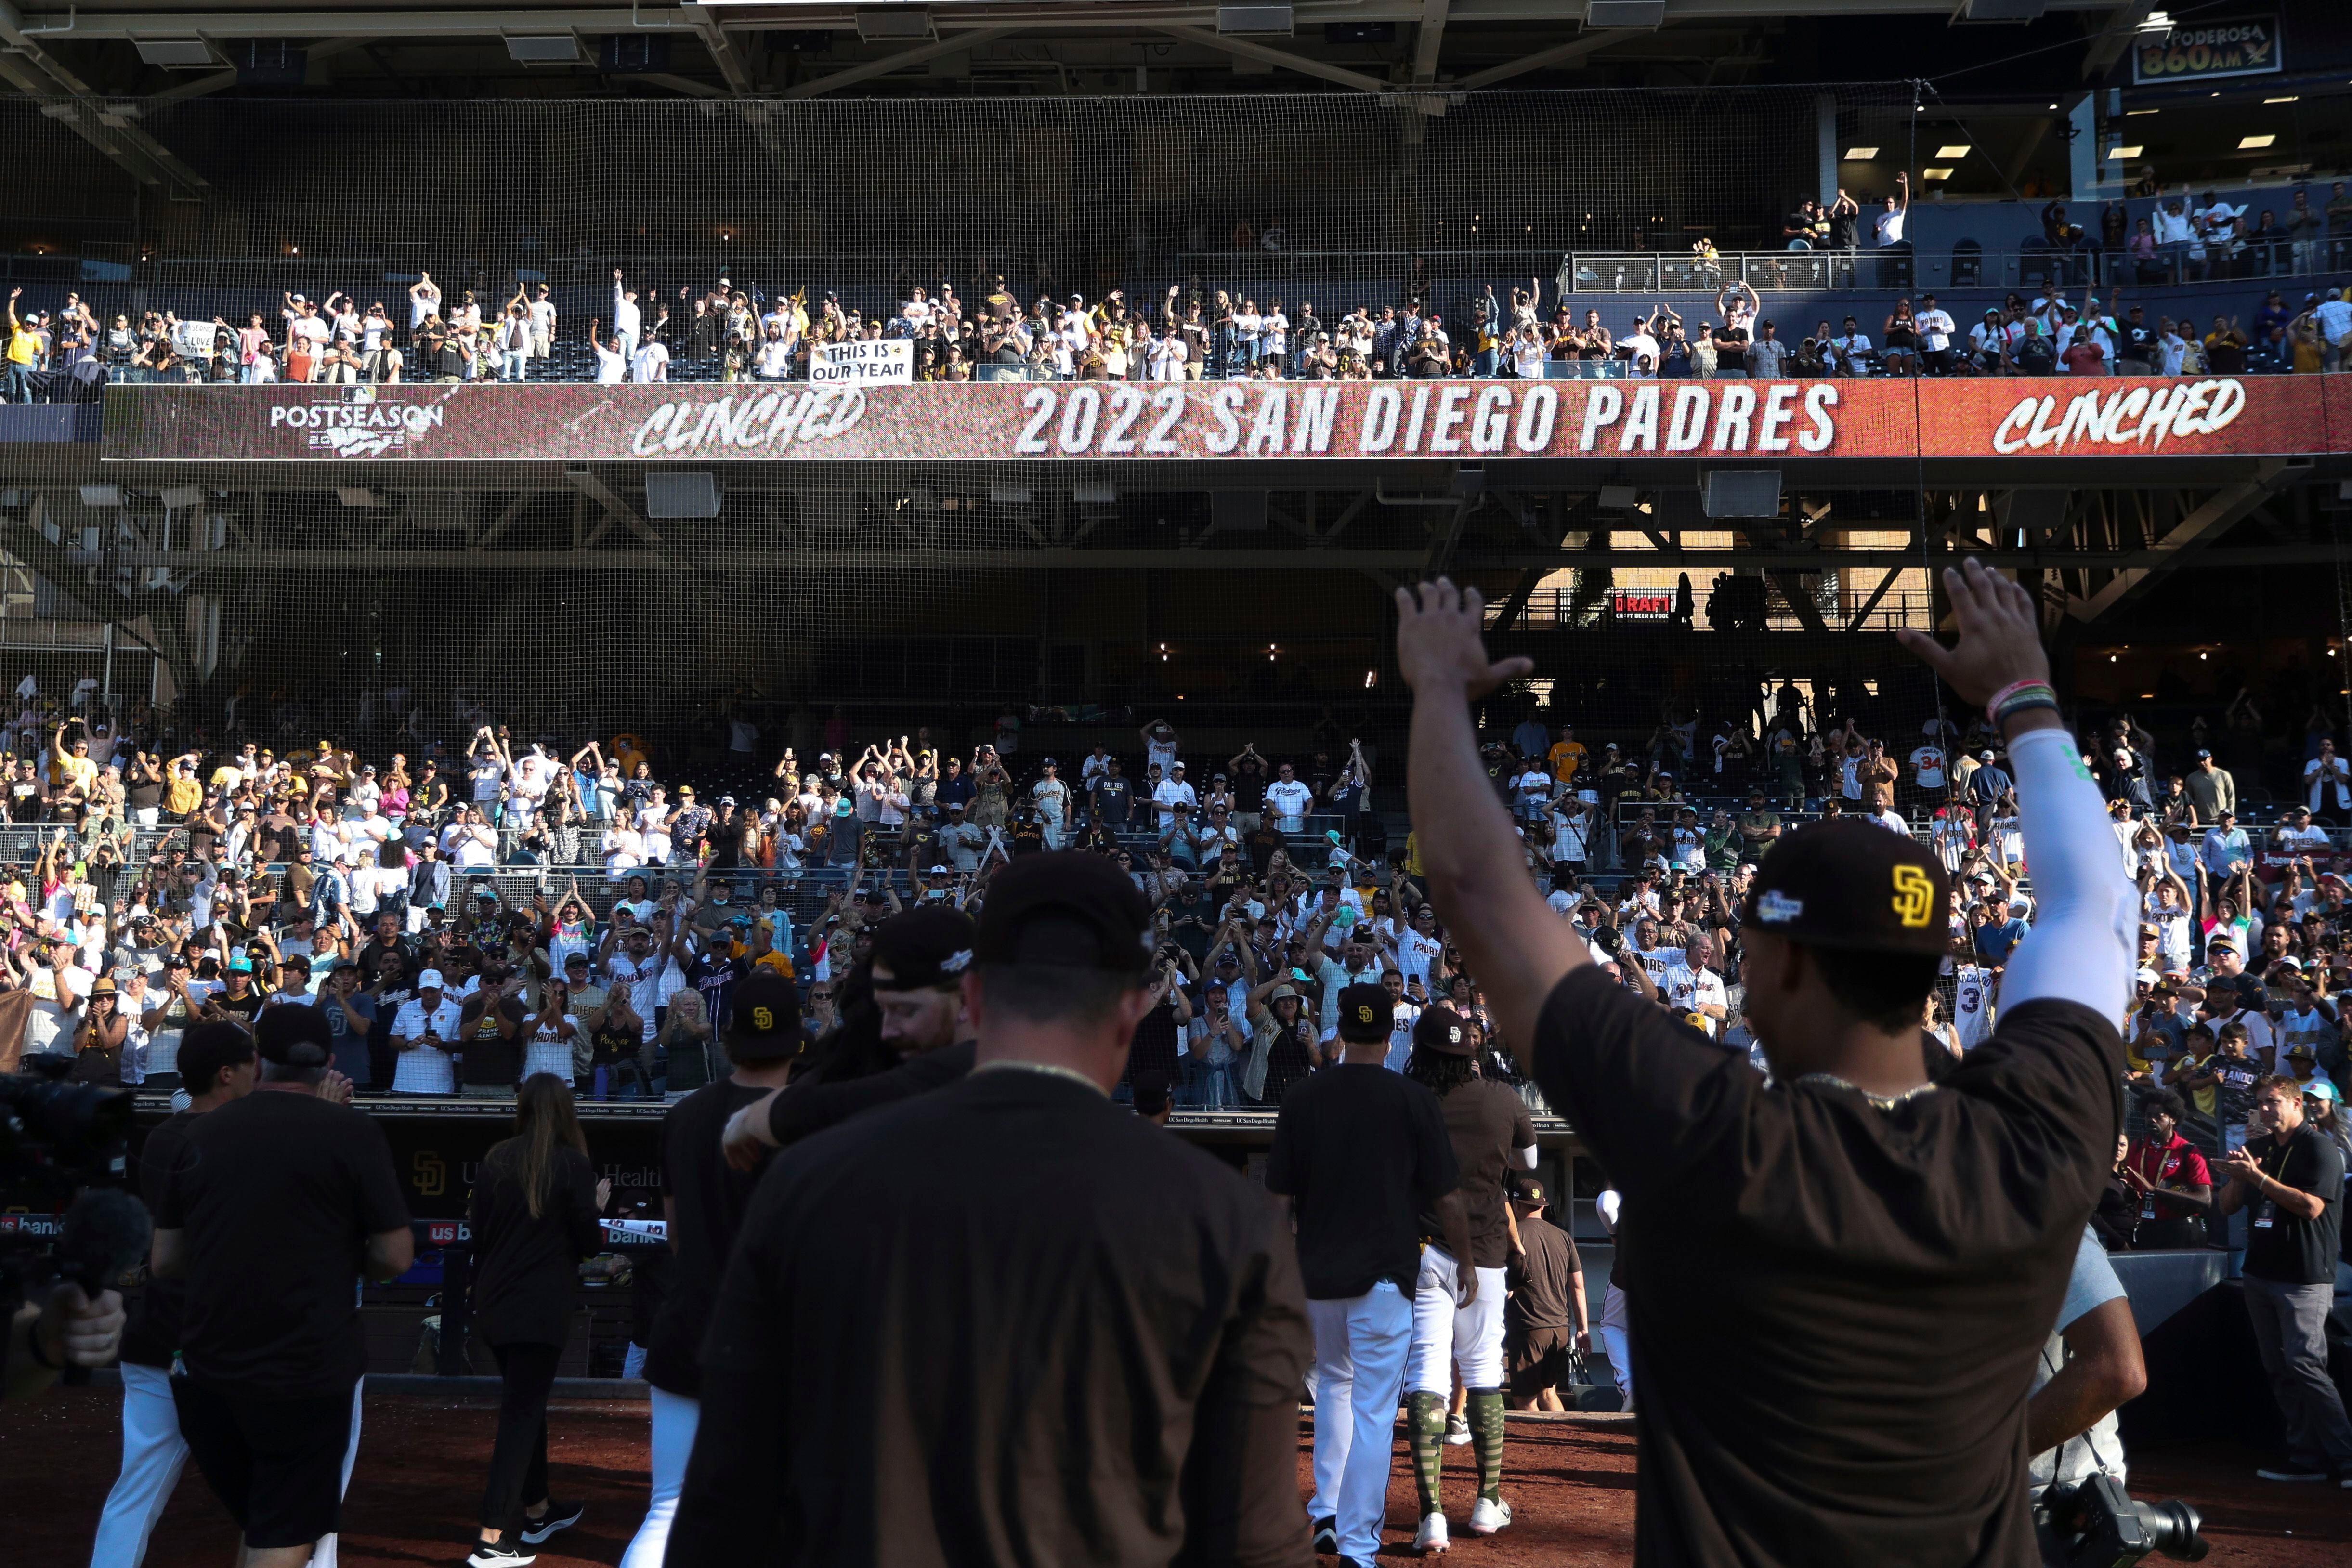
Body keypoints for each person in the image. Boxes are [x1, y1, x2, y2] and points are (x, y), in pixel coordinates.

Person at [1392, 560, 2131, 1565]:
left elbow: (1475, 887)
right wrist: (2023, 695)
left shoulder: (1717, 1135)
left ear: (1778, 963)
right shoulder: (2031, 1137)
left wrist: (1437, 688)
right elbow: (2095, 903)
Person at [668, 852, 1313, 1562]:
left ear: (972, 998)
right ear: (1134, 1007)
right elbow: (1255, 1544)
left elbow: (724, 1506)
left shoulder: (808, 1181)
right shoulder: (1228, 1222)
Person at [152, 1005, 413, 1568]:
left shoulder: (201, 1132)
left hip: (210, 1367)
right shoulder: (351, 1131)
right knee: (284, 1531)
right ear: (330, 1062)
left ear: (259, 1059)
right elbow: (395, 1256)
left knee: (264, 1521)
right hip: (306, 1368)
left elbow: (167, 1259)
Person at [1267, 982, 1466, 1567]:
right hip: (1385, 1277)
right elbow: (1449, 1200)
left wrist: (1275, 1270)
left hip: (1318, 1277)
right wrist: (1468, 1262)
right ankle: (1357, 1545)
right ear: (1388, 1034)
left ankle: (1325, 1511)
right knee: (1375, 1411)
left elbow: (1275, 1202)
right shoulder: (1413, 1099)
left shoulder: (1303, 1097)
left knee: (1333, 1385)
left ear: (1341, 1034)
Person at [617, 966, 802, 1568]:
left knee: (669, 1508)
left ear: (725, 1039)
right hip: (783, 1341)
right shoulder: (813, 1117)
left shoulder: (687, 1115)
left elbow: (675, 1234)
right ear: (798, 1043)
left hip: (693, 1321)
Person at [89, 1024, 256, 1568]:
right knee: (289, 1494)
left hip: (159, 1334)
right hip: (220, 1345)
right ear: (227, 1073)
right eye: (251, 1062)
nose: (260, 1071)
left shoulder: (165, 1136)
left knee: (137, 1487)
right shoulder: (235, 1139)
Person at [1401, 1006, 1536, 1551]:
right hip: (1484, 1253)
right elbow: (1527, 1159)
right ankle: (1486, 1500)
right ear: (1471, 1051)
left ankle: (1431, 1513)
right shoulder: (1502, 1096)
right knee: (1481, 1372)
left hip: (1423, 1250)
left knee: (1427, 1376)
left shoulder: (1409, 1100)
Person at [464, 1074, 609, 1567]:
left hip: (496, 1301)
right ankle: (492, 1535)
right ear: (568, 1111)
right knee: (521, 1413)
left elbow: (478, 1235)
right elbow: (589, 1243)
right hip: (539, 1306)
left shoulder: (497, 1159)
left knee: (526, 1403)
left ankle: (539, 1508)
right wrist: (598, 1208)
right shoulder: (574, 1164)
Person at [2214, 1074, 2352, 1482]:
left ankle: (2347, 1458)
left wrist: (2259, 1179)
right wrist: (2239, 1176)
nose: (2265, 1109)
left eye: (2273, 1102)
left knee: (2306, 1364)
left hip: (2304, 1277)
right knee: (2278, 1368)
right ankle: (2306, 1457)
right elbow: (2225, 1208)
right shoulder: (2257, 1149)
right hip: (2260, 1273)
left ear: (2297, 1104)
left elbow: (2311, 1208)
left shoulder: (2320, 1149)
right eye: (2261, 1103)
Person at [1503, 1171, 1587, 1414]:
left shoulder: (1513, 1235)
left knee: (1524, 1401)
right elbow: (1578, 1286)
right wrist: (1583, 1329)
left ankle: (1534, 1450)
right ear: (1543, 1206)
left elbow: (1506, 1288)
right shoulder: (1564, 1237)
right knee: (1548, 1393)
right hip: (1559, 1331)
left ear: (1516, 1205)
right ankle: (1564, 1441)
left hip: (1530, 1329)